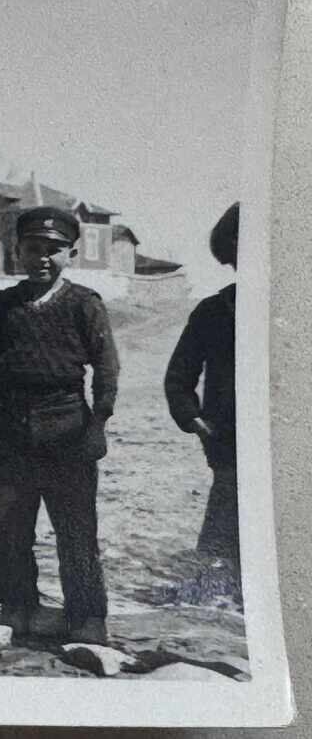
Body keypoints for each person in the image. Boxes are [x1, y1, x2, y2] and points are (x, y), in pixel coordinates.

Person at [0, 206, 120, 645]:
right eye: (33, 248)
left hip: (67, 428)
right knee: (11, 525)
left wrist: (98, 424)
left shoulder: (84, 303)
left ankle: (87, 616)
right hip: (12, 428)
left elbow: (107, 368)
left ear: (71, 254)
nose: (42, 257)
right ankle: (18, 606)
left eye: (53, 250)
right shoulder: (3, 305)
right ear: (18, 251)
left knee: (76, 530)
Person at [164, 202, 239, 562]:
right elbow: (178, 376)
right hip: (229, 442)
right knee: (218, 553)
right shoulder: (214, 311)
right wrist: (194, 419)